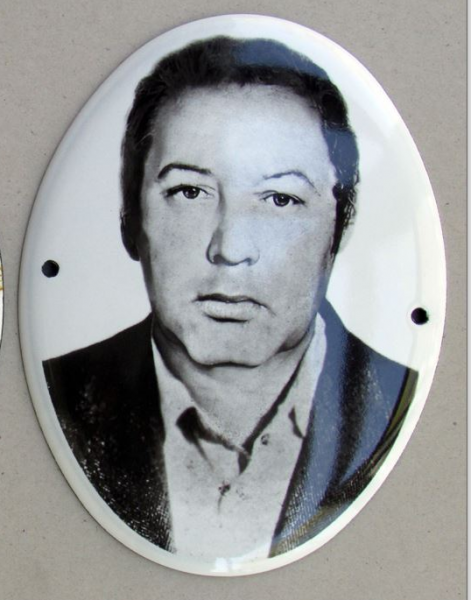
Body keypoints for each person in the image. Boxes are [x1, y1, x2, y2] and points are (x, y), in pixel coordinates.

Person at [43, 37, 417, 560]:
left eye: (280, 199)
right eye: (189, 192)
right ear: (131, 220)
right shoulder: (60, 394)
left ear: (339, 229)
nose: (230, 248)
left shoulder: (401, 406)